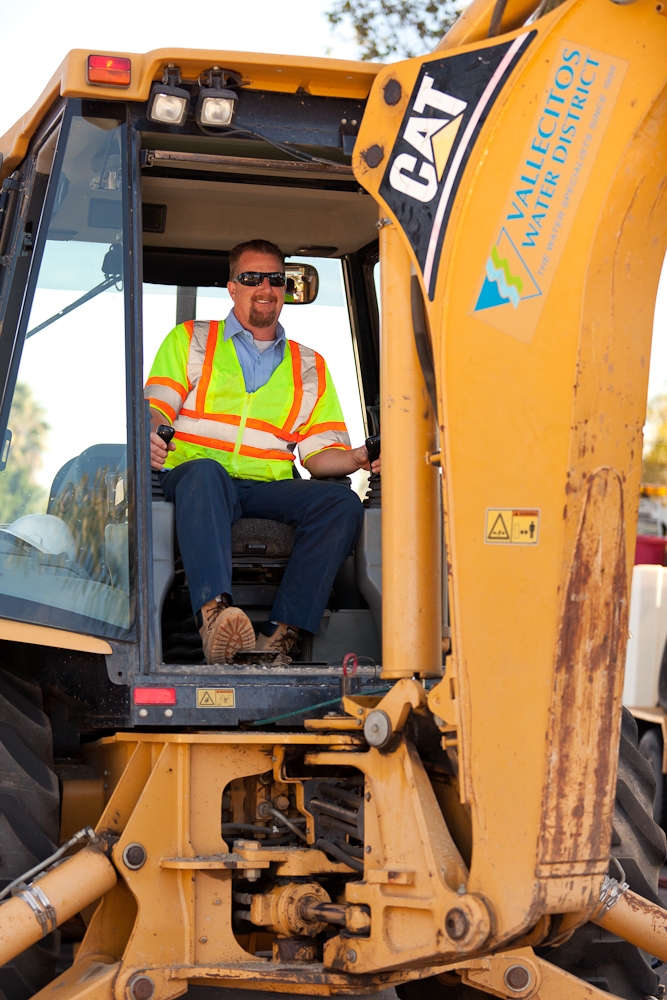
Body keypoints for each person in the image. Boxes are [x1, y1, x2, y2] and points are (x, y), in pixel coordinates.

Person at [145, 239, 381, 665]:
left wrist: (357, 458)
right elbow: (154, 409)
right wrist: (150, 434)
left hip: (265, 489)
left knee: (342, 503)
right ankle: (215, 619)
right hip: (192, 481)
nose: (265, 288)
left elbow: (319, 454)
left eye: (276, 279)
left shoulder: (309, 364)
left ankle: (280, 636)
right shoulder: (192, 340)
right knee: (206, 472)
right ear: (232, 287)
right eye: (252, 278)